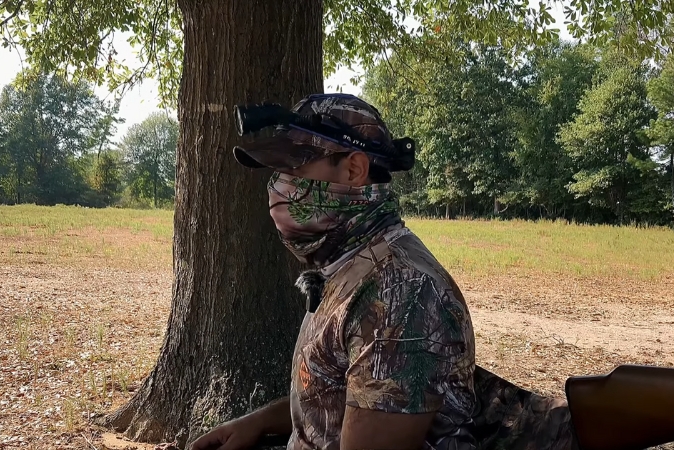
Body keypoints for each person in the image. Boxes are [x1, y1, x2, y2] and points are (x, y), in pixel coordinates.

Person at [189, 93, 578, 450]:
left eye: (293, 168)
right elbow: (341, 391)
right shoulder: (352, 268)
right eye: (276, 173)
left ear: (355, 169)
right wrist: (258, 422)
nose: (279, 188)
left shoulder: (399, 291)